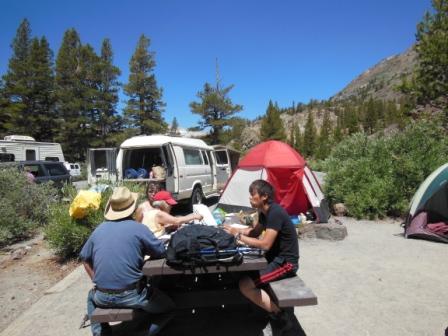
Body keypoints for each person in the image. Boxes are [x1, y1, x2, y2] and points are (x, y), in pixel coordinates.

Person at [80, 186, 175, 336]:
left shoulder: (99, 230)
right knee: (169, 308)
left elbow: (85, 259)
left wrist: (96, 281)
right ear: (132, 208)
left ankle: (100, 333)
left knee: (91, 297)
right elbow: (161, 251)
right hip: (132, 295)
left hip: (102, 296)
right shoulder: (138, 228)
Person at [224, 179, 299, 334]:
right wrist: (231, 230)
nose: (250, 198)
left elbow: (265, 244)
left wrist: (237, 236)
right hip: (273, 260)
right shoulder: (265, 213)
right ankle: (260, 310)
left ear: (264, 196)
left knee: (245, 284)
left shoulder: (275, 213)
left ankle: (280, 317)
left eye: (253, 195)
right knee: (240, 274)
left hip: (285, 264)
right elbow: (254, 233)